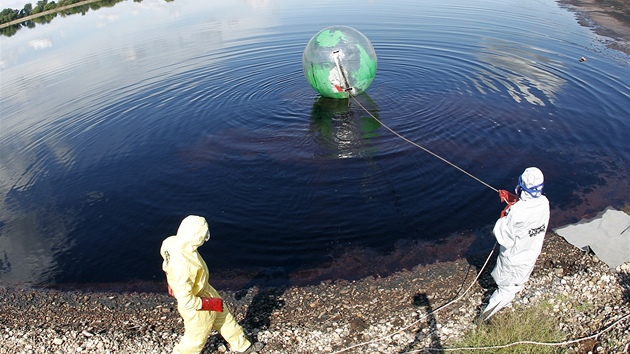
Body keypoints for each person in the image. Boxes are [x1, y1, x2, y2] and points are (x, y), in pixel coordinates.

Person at [160, 215, 264, 354]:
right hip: (196, 306)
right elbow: (185, 301)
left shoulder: (170, 242)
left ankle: (242, 345)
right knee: (195, 339)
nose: (204, 239)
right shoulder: (183, 264)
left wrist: (170, 283)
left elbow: (166, 264)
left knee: (225, 317)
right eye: (203, 236)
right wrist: (207, 304)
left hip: (205, 290)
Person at [478, 167, 550, 322]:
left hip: (514, 259)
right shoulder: (544, 203)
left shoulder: (517, 212)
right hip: (530, 255)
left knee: (507, 288)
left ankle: (485, 315)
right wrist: (511, 199)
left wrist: (503, 217)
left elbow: (503, 237)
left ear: (521, 185)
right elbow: (528, 209)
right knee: (516, 281)